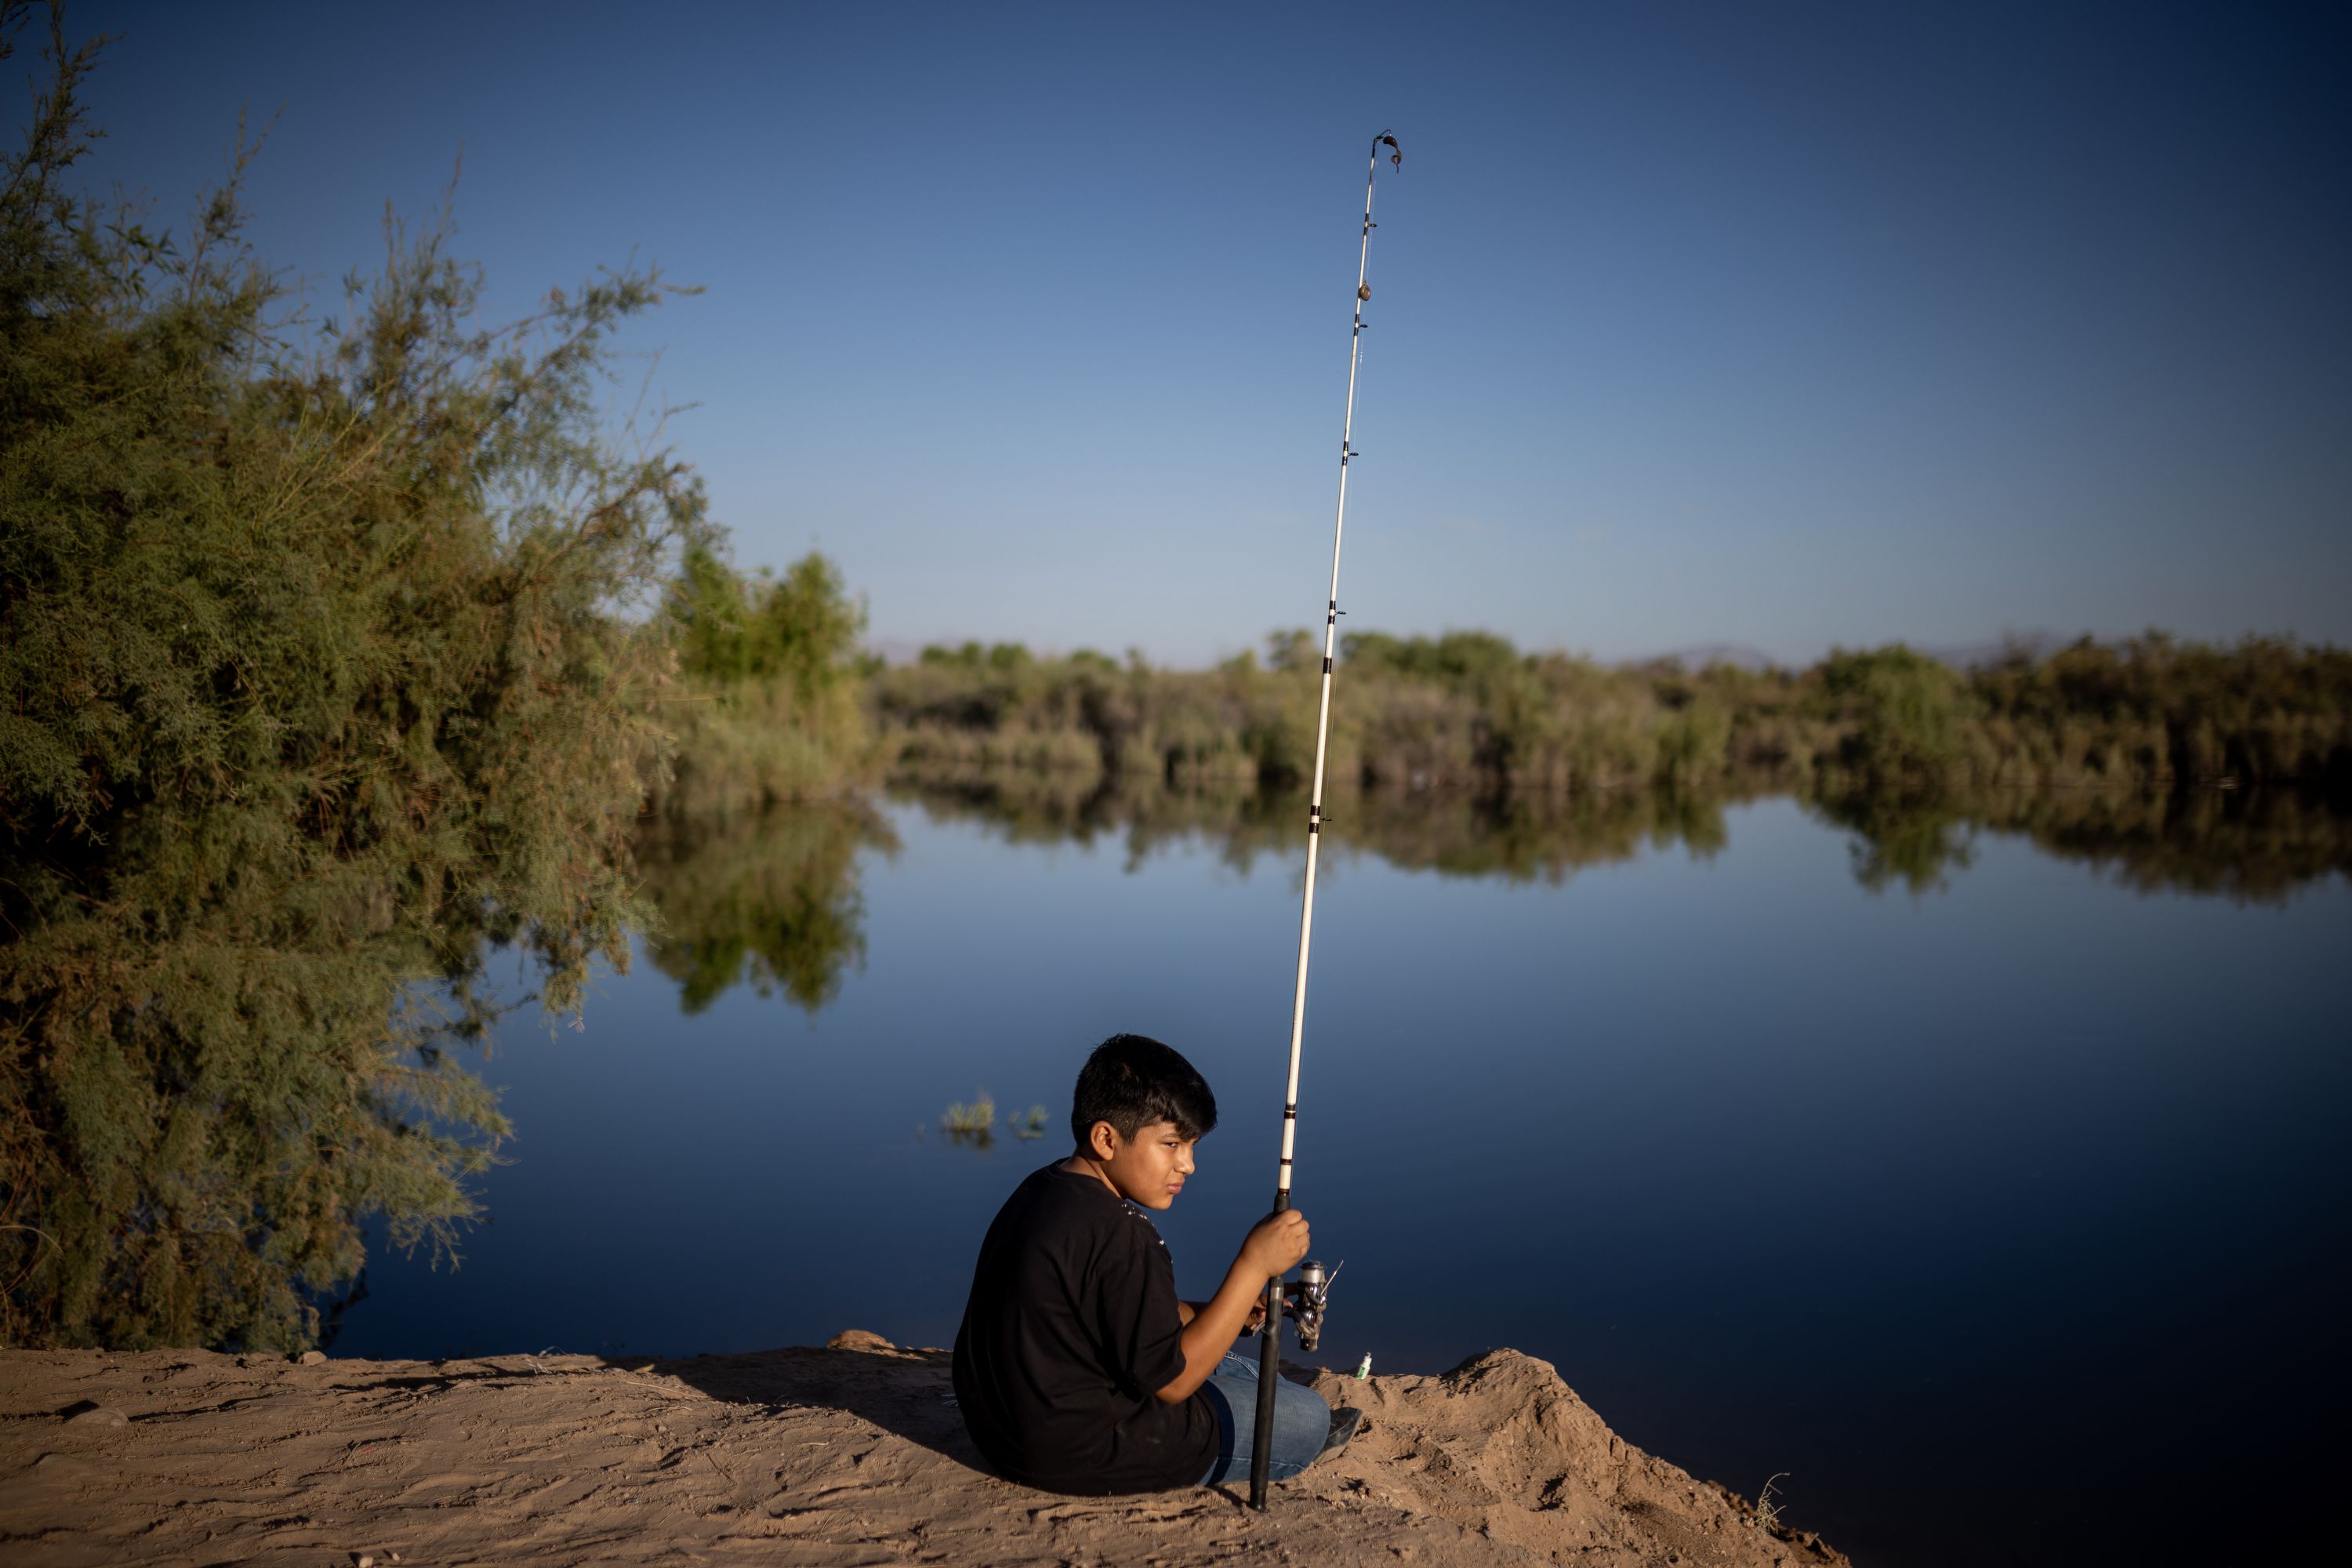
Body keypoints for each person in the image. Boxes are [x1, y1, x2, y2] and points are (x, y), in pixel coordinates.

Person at [952, 1033, 1360, 1494]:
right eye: (1171, 1145)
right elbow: (1174, 1383)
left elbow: (1117, 1311)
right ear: (1106, 1138)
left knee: (1229, 1357)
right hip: (1079, 1450)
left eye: (1192, 1146)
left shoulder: (1043, 1188)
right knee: (1306, 1416)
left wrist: (1229, 1306)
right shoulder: (1125, 1236)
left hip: (999, 1431)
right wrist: (1252, 1265)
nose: (1188, 1165)